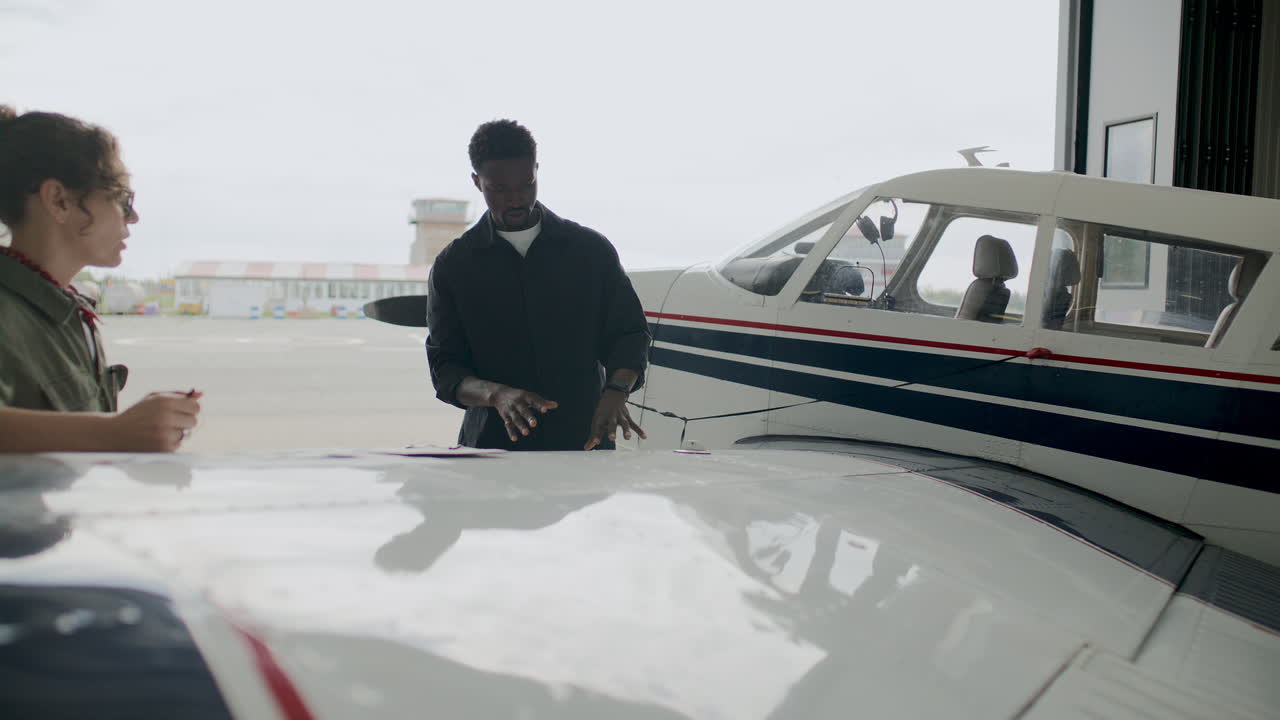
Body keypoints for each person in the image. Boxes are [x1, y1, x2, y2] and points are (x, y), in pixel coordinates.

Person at [427, 119, 650, 451]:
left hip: (585, 441)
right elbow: (445, 368)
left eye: (526, 184)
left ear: (537, 171)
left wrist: (617, 391)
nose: (516, 199)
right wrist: (496, 395)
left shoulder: (590, 251)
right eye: (499, 189)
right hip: (492, 448)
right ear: (477, 182)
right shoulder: (454, 265)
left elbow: (629, 334)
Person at [0, 105, 201, 452]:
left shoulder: (67, 314)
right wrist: (111, 433)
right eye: (121, 198)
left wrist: (134, 426)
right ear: (59, 201)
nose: (133, 217)